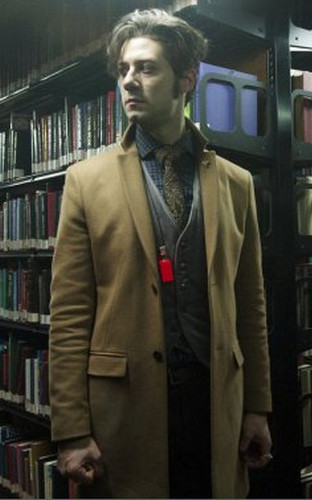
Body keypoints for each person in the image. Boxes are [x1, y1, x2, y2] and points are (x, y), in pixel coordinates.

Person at [49, 8, 272, 498]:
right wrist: (71, 430)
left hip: (215, 400)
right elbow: (69, 315)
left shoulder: (237, 184)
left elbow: (250, 303)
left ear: (186, 79)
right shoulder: (86, 181)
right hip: (125, 407)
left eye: (147, 68)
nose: (129, 80)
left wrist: (257, 406)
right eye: (124, 69)